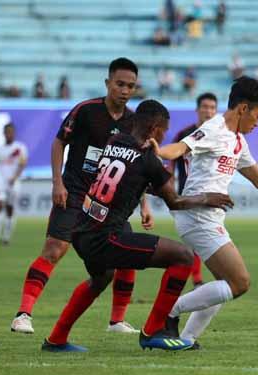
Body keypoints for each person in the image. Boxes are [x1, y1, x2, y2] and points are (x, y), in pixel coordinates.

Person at [41, 100, 234, 353]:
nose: (164, 136)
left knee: (100, 278)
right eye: (164, 130)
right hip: (105, 237)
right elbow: (174, 201)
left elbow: (129, 177)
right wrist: (208, 198)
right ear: (155, 128)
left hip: (82, 228)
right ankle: (153, 331)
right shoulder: (148, 160)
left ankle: (56, 339)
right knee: (183, 257)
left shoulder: (115, 141)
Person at [151, 77, 258, 347]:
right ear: (243, 109)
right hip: (197, 215)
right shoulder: (214, 128)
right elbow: (181, 148)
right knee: (240, 282)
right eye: (257, 116)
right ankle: (169, 313)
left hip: (208, 217)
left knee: (224, 285)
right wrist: (159, 150)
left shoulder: (238, 142)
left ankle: (186, 338)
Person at [11, 58, 153, 335]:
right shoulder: (86, 111)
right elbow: (58, 142)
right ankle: (23, 314)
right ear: (108, 83)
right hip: (74, 192)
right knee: (54, 249)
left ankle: (117, 321)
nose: (124, 90)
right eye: (120, 84)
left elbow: (137, 165)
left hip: (109, 201)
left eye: (130, 86)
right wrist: (57, 183)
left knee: (128, 254)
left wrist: (144, 203)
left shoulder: (133, 122)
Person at [166, 92, 218, 287]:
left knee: (203, 237)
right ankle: (198, 280)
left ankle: (199, 279)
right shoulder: (184, 135)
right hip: (188, 195)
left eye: (212, 108)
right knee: (195, 239)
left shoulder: (219, 137)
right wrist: (169, 184)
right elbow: (171, 161)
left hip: (210, 195)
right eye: (205, 107)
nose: (208, 111)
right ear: (197, 109)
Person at [0, 123, 27, 246]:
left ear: (14, 133)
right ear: (4, 134)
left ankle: (6, 238)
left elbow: (23, 164)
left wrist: (15, 177)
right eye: (7, 132)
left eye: (11, 132)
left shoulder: (19, 148)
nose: (9, 135)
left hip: (13, 182)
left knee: (10, 209)